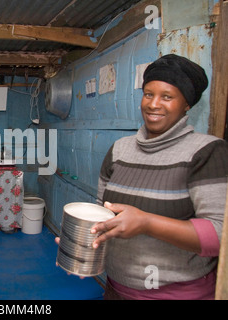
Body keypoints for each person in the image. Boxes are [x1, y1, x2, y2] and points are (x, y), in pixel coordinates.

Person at [56, 54, 228, 299]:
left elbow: (221, 234)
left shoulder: (206, 152)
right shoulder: (119, 150)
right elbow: (102, 215)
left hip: (177, 294)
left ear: (187, 104)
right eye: (148, 94)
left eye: (167, 97)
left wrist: (147, 223)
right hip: (115, 289)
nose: (153, 104)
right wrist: (79, 245)